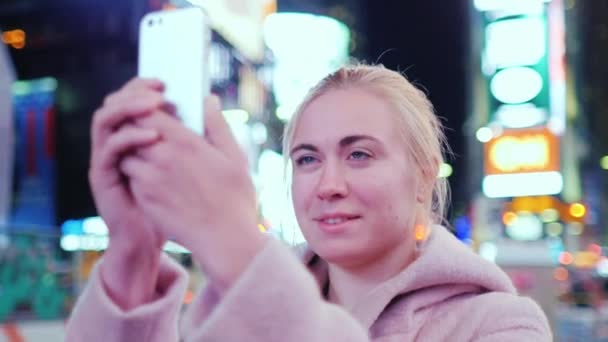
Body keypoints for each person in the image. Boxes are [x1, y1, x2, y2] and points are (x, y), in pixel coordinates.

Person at [66, 64, 551, 341]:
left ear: (423, 176)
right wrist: (132, 251)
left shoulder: (499, 324)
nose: (328, 184)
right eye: (307, 159)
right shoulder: (228, 314)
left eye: (359, 154)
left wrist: (234, 242)